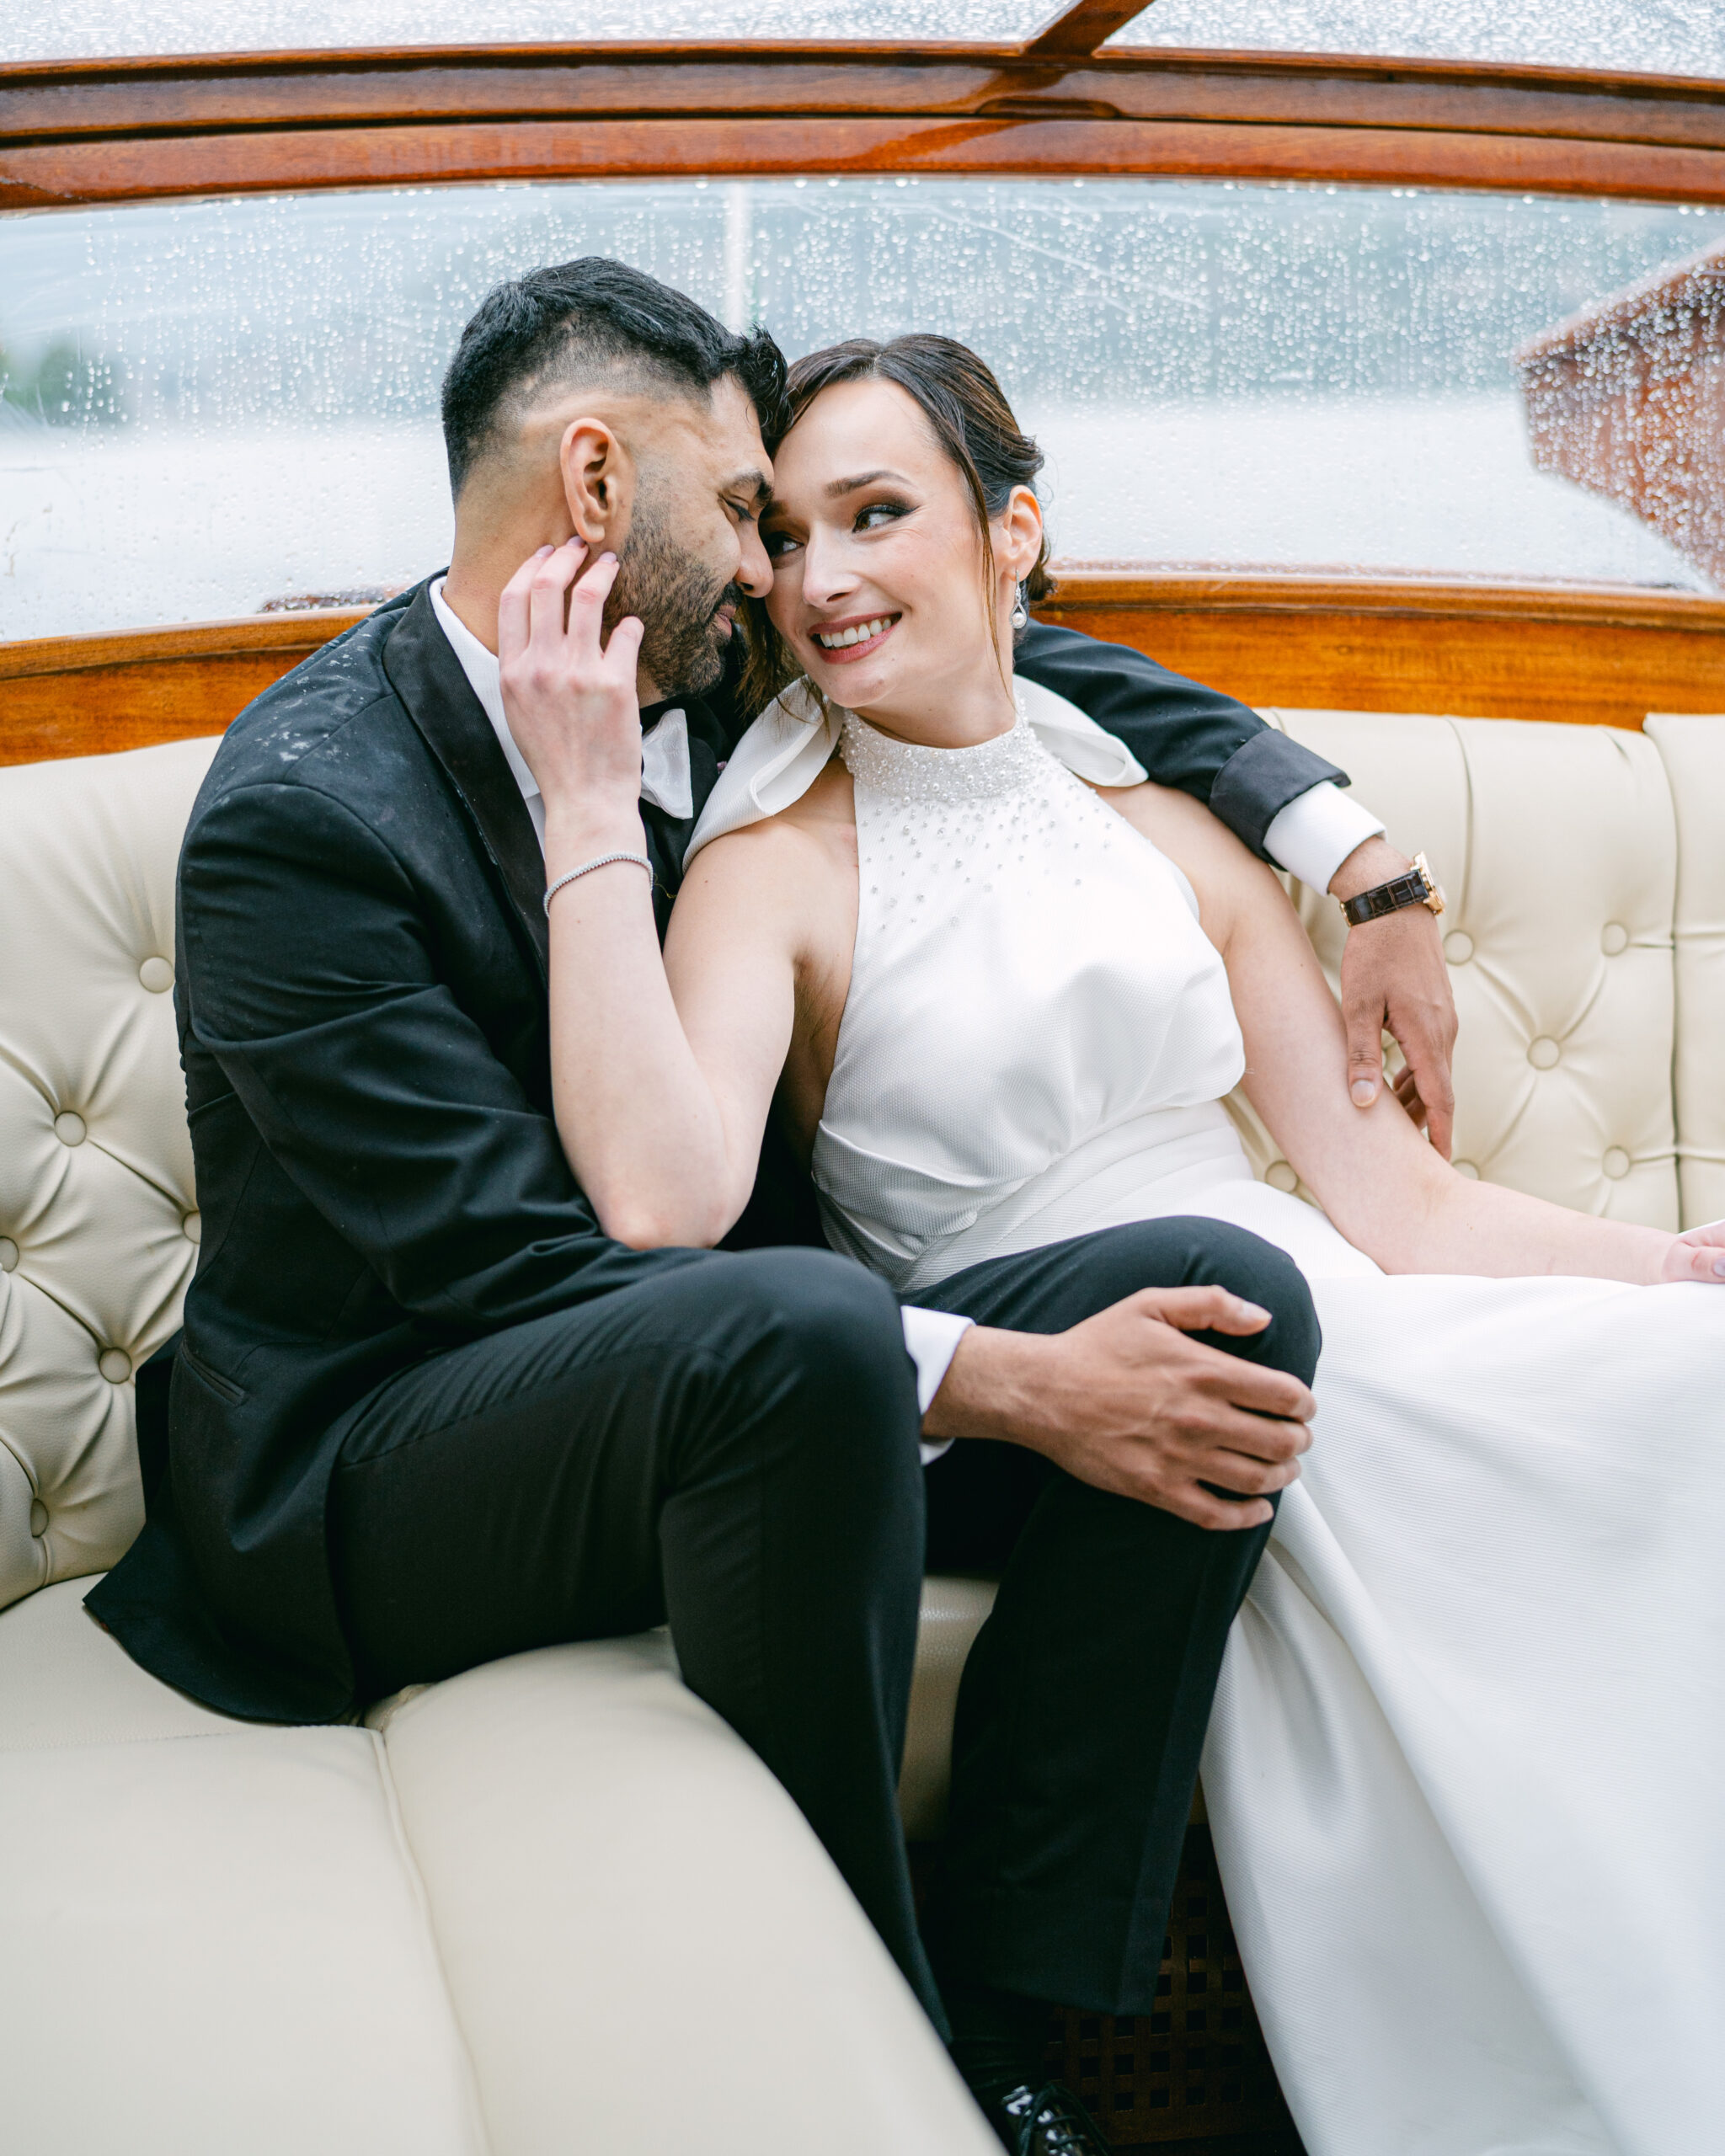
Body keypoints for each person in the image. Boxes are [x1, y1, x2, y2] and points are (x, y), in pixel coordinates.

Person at [88, 259, 1438, 2155]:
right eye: (739, 508)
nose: (772, 570)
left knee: (1217, 1297)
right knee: (797, 1316)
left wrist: (1347, 849)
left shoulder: (713, 690)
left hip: (733, 1393)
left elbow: (1026, 659)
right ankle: (886, 2060)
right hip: (378, 1463)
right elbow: (517, 1268)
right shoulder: (304, 813)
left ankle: (1019, 2006)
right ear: (587, 485)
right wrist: (1014, 1383)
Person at [541, 332, 1725, 2155]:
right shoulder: (767, 864)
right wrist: (584, 805)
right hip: (995, 1376)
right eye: (790, 531)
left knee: (1685, 1369)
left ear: (1012, 535)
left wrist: (1658, 1268)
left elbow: (1389, 1198)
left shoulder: (1167, 823)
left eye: (881, 515)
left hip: (1283, 1299)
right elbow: (662, 1202)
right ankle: (1025, 2009)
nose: (827, 577)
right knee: (1219, 1287)